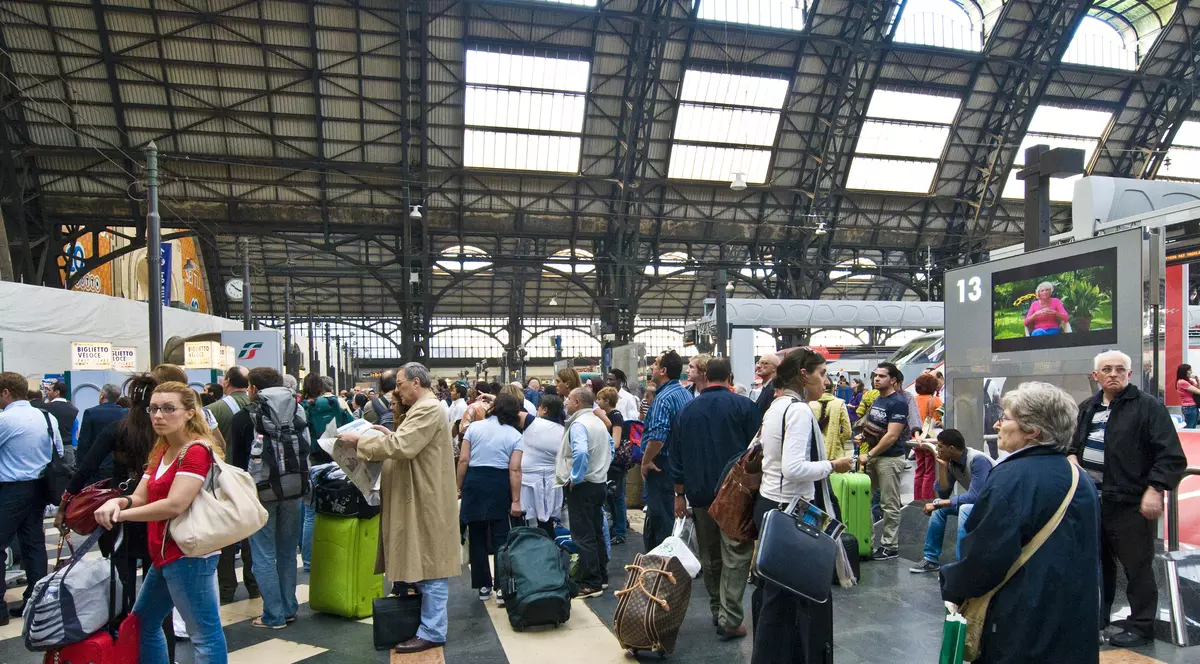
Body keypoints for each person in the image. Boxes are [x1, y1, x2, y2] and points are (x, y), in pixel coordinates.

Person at [941, 382, 1100, 663]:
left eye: (1005, 417)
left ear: (1032, 431)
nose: (997, 423)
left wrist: (953, 584)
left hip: (1021, 622)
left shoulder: (1010, 477)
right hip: (1075, 620)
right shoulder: (1079, 476)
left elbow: (986, 555)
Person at [92, 381, 229, 664]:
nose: (158, 415)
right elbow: (140, 496)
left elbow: (175, 504)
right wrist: (119, 502)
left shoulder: (195, 451)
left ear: (190, 412)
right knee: (142, 623)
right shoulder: (163, 449)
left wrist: (122, 513)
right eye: (154, 408)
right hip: (166, 553)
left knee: (204, 634)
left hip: (189, 555)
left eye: (169, 408)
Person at [337, 362, 461, 655]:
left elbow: (403, 446)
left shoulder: (428, 408)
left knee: (431, 563)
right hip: (416, 495)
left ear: (417, 383)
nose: (397, 390)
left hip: (424, 497)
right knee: (423, 560)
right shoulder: (423, 407)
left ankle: (432, 630)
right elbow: (404, 440)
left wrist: (362, 440)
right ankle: (426, 625)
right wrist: (382, 432)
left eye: (401, 385)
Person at [1067, 350, 1187, 648]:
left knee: (1138, 569)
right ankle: (1098, 621)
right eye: (1106, 369)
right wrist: (1070, 456)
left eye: (1120, 369)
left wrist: (1155, 489)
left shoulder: (1148, 407)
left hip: (1131, 503)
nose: (1113, 374)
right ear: (1095, 376)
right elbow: (1073, 444)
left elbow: (1171, 455)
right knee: (1098, 566)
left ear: (1130, 374)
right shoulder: (1087, 408)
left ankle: (1141, 627)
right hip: (1092, 502)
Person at [57, 375, 177, 657]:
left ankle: (125, 647)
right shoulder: (168, 434)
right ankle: (163, 653)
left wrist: (64, 505)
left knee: (121, 586)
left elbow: (85, 469)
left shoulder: (118, 429)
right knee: (159, 592)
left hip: (120, 514)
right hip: (157, 515)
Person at [751, 349, 853, 664]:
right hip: (789, 509)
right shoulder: (798, 411)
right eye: (822, 373)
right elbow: (793, 469)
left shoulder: (775, 406)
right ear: (803, 375)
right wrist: (833, 465)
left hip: (771, 506)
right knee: (784, 602)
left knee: (777, 599)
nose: (827, 380)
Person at [669, 357, 761, 639]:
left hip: (700, 493)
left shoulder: (687, 410)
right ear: (730, 377)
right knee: (735, 553)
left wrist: (679, 494)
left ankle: (716, 608)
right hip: (737, 495)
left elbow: (677, 456)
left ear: (707, 377)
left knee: (710, 556)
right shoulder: (746, 406)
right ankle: (730, 617)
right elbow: (757, 451)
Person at [229, 367, 306, 630]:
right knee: (287, 553)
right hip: (294, 487)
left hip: (259, 492)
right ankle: (289, 608)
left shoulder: (244, 417)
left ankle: (273, 615)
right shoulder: (298, 409)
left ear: (253, 388)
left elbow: (235, 463)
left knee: (262, 554)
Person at [0, 372, 62, 625]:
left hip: (11, 490)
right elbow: (58, 451)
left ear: (5, 392)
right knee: (34, 545)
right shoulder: (47, 416)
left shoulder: (5, 419)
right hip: (40, 488)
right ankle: (35, 602)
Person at [457, 393, 524, 603]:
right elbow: (515, 469)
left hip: (475, 481)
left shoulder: (474, 428)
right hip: (499, 482)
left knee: (476, 535)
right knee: (501, 538)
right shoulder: (515, 435)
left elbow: (463, 460)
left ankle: (483, 586)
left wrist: (458, 486)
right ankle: (503, 588)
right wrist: (515, 500)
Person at [205, 366, 258, 604]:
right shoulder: (258, 406)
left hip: (222, 480)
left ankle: (226, 586)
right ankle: (254, 582)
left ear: (226, 382)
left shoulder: (213, 410)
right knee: (251, 531)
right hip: (252, 478)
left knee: (225, 534)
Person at [908, 429, 993, 574]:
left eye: (940, 446)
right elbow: (943, 492)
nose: (937, 449)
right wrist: (942, 468)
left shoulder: (978, 460)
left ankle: (962, 565)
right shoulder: (952, 462)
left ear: (951, 448)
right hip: (980, 503)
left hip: (994, 504)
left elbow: (975, 497)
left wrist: (939, 503)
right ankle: (931, 559)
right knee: (939, 507)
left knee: (964, 508)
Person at [556, 387, 613, 598]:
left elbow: (580, 452)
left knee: (583, 535)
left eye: (568, 398)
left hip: (584, 485)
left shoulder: (579, 424)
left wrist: (576, 476)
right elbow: (611, 448)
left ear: (577, 402)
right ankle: (601, 576)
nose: (565, 402)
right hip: (599, 482)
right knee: (596, 531)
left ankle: (591, 583)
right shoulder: (599, 422)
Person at [641, 350, 694, 551]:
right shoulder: (684, 393)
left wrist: (646, 461)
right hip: (680, 464)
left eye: (655, 364)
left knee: (661, 520)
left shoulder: (663, 398)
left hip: (661, 466)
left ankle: (661, 569)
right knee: (673, 519)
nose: (652, 368)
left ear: (663, 370)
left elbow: (658, 437)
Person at [299, 374, 352, 573]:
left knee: (310, 513)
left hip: (313, 461)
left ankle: (309, 561)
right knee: (339, 505)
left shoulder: (303, 407)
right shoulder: (336, 403)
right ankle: (336, 553)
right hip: (337, 458)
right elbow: (351, 423)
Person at [856, 362, 909, 560]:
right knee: (863, 500)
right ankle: (867, 541)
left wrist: (869, 454)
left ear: (893, 380)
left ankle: (890, 545)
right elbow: (876, 426)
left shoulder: (898, 402)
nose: (876, 379)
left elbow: (892, 436)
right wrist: (864, 438)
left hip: (889, 459)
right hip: (873, 457)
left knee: (889, 503)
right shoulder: (878, 399)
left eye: (882, 376)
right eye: (875, 375)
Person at [519, 395, 567, 540]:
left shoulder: (531, 422)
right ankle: (549, 553)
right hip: (553, 482)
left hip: (527, 481)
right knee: (546, 523)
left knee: (526, 523)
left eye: (539, 407)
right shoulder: (564, 431)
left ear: (544, 410)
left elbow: (508, 410)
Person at [76, 383, 128, 486]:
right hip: (119, 464)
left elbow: (84, 442)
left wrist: (80, 467)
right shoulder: (125, 413)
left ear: (102, 395)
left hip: (97, 465)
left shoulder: (91, 412)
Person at [596, 387, 629, 545]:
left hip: (615, 463)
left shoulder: (615, 416)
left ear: (607, 401)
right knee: (612, 497)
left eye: (600, 399)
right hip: (610, 462)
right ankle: (617, 527)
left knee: (618, 498)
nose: (597, 402)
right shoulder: (609, 416)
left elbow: (615, 442)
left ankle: (620, 531)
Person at [912, 373, 943, 501]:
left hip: (915, 439)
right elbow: (940, 418)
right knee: (930, 471)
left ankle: (917, 499)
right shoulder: (935, 400)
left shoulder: (914, 400)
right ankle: (927, 499)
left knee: (919, 470)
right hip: (929, 439)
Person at [811, 376, 852, 461]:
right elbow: (847, 433)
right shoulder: (839, 404)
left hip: (815, 453)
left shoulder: (810, 404)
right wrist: (838, 440)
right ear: (833, 389)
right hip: (836, 455)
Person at [40, 380, 79, 466]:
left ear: (57, 392)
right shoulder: (74, 409)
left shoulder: (46, 408)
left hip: (50, 448)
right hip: (68, 447)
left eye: (49, 390)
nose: (47, 393)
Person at [1176, 364, 1200, 428]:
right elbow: (1198, 391)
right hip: (1189, 407)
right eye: (1189, 370)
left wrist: (1197, 379)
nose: (1191, 372)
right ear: (1184, 371)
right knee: (1189, 427)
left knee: (1193, 427)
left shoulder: (1189, 381)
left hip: (1193, 406)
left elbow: (1198, 388)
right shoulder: (1181, 382)